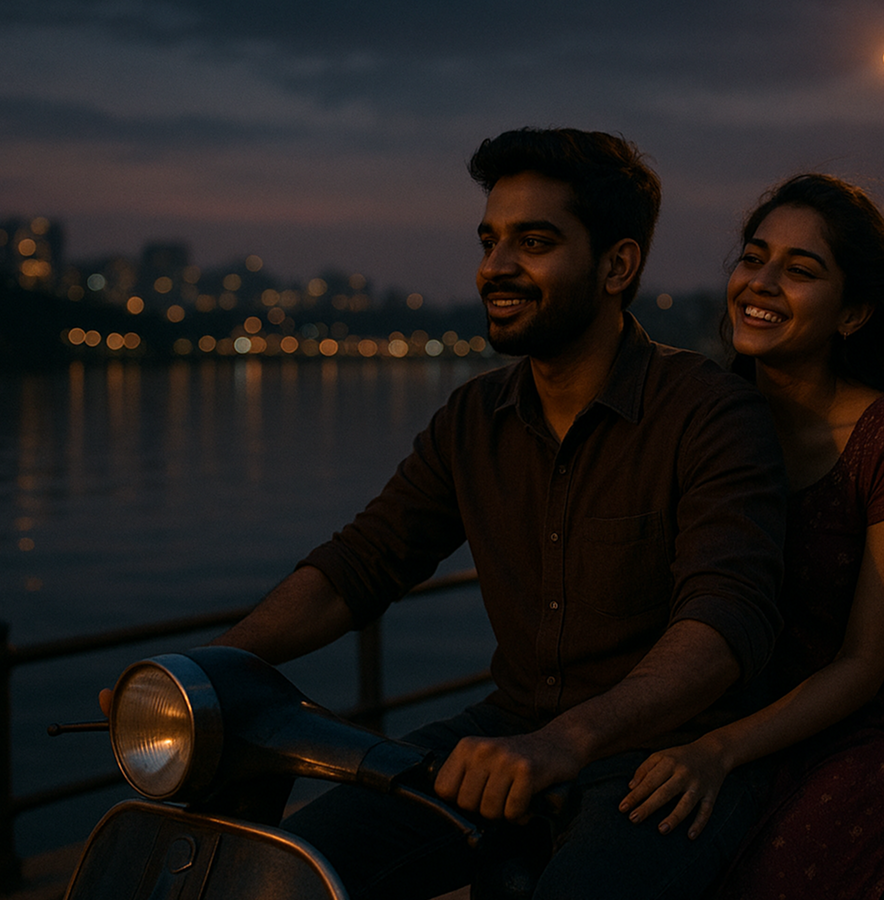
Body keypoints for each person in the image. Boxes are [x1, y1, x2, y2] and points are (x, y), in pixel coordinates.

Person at [151, 128, 792, 900]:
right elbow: (360, 567)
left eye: (535, 241)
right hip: (510, 730)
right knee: (280, 874)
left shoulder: (710, 413)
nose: (497, 267)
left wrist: (568, 741)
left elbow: (724, 625)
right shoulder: (474, 418)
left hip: (670, 755)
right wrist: (200, 679)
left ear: (618, 265)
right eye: (490, 241)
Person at [619, 173, 884, 899]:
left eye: (800, 271)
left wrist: (717, 750)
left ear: (854, 312)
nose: (762, 283)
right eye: (753, 258)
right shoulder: (712, 420)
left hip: (863, 734)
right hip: (737, 715)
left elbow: (865, 665)